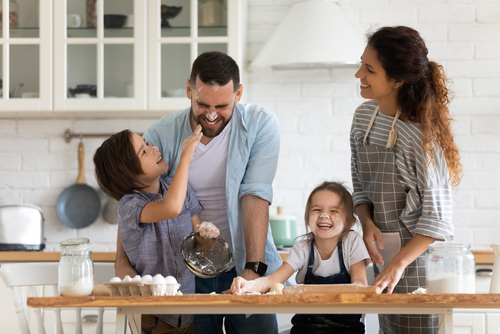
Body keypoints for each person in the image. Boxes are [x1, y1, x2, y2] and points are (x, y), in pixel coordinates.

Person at [114, 51, 282, 334]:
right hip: (186, 274)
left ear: (239, 93)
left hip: (248, 265)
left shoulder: (260, 125)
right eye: (202, 104)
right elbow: (135, 200)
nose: (212, 114)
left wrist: (253, 270)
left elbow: (255, 195)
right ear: (189, 90)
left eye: (222, 105)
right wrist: (121, 261)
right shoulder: (161, 136)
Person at [350, 26, 463, 334]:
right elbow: (359, 184)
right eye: (361, 63)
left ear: (397, 80)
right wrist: (367, 222)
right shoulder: (362, 118)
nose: (359, 73)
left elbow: (437, 220)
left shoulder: (419, 137)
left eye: (370, 69)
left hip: (418, 268)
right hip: (383, 256)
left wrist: (397, 265)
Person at [93, 125, 220, 334]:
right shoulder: (130, 206)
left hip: (187, 312)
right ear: (128, 174)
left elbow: (199, 248)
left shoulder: (182, 189)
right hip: (153, 316)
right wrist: (185, 158)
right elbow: (170, 208)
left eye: (147, 144)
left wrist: (207, 237)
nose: (154, 149)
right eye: (144, 151)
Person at [231, 181, 370, 334]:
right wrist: (248, 285)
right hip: (305, 329)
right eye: (317, 210)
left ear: (349, 221)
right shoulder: (303, 248)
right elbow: (272, 281)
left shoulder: (352, 242)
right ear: (307, 217)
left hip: (346, 330)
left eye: (334, 211)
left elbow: (360, 286)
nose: (324, 215)